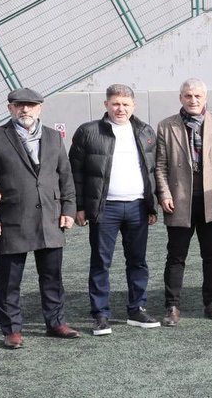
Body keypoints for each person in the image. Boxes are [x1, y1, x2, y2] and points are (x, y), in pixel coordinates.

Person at [0, 87, 79, 347]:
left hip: (50, 219)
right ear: (10, 107)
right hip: (12, 220)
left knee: (52, 277)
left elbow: (65, 176)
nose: (25, 109)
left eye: (31, 105)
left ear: (40, 108)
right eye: (19, 105)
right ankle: (11, 330)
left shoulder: (54, 137)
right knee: (9, 280)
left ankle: (56, 322)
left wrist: (68, 209)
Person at [69, 84, 160, 337]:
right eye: (116, 104)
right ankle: (100, 314)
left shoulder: (145, 131)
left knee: (138, 261)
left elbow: (152, 170)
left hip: (138, 207)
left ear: (134, 105)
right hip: (103, 208)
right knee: (101, 262)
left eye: (125, 104)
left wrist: (152, 204)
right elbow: (74, 171)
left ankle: (137, 308)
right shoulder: (88, 132)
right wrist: (79, 206)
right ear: (106, 105)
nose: (121, 109)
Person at [155, 78, 212, 326]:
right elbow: (160, 165)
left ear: (205, 98)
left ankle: (211, 303)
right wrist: (165, 193)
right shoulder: (166, 126)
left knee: (211, 256)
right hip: (180, 201)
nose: (193, 100)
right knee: (176, 256)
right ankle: (172, 306)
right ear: (181, 98)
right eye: (188, 96)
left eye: (198, 96)